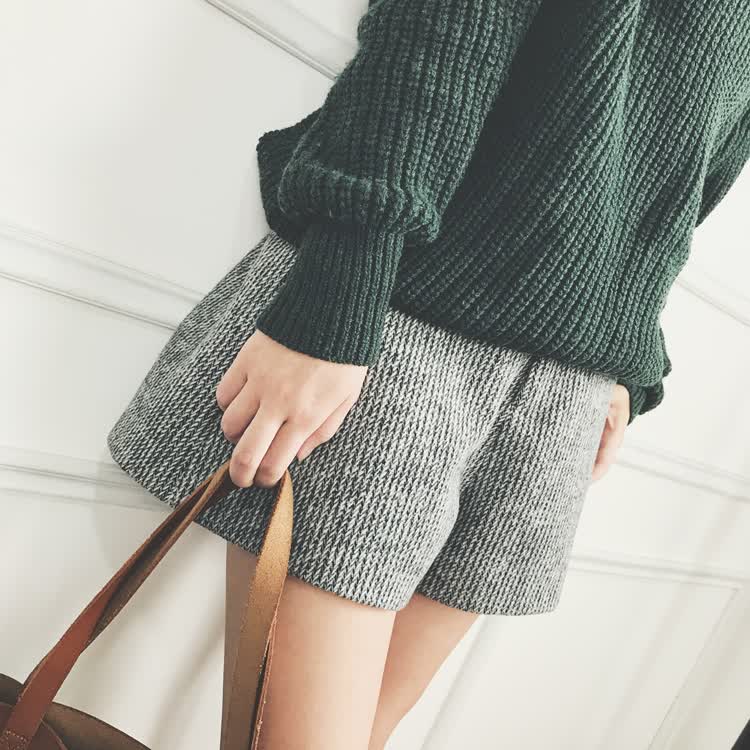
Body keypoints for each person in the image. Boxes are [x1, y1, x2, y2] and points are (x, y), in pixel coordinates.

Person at [107, 0, 750, 747]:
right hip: (408, 328)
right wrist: (337, 298)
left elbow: (692, 171)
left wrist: (630, 359)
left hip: (573, 386)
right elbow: (437, 37)